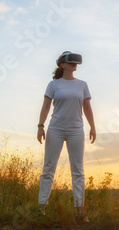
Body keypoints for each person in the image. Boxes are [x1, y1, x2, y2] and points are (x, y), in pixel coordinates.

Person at [37, 51, 96, 223]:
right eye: (70, 62)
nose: (74, 64)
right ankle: (41, 208)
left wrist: (93, 127)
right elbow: (46, 107)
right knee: (48, 169)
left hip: (76, 130)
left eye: (75, 62)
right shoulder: (53, 84)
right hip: (55, 129)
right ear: (62, 65)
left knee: (78, 171)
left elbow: (87, 108)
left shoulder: (82, 85)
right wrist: (40, 126)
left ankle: (80, 211)